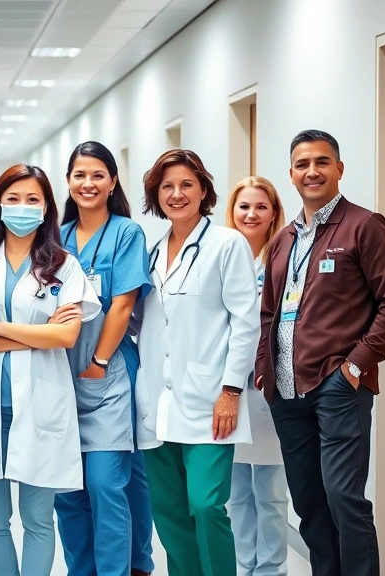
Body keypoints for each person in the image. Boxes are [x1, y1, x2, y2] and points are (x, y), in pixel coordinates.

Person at [255, 130, 385, 576]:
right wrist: (265, 370)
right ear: (290, 174)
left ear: (339, 169)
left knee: (344, 497)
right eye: (303, 164)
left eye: (322, 162)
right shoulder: (284, 238)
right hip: (287, 390)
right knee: (308, 501)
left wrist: (356, 365)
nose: (312, 171)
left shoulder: (363, 225)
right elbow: (269, 311)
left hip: (336, 385)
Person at [0, 164, 100, 575]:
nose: (22, 207)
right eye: (13, 199)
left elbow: (66, 338)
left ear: (46, 208)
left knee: (39, 520)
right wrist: (37, 331)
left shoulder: (65, 265)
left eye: (32, 199)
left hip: (42, 403)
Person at [135, 149, 260, 576]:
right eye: (167, 186)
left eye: (187, 184)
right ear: (156, 195)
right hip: (157, 401)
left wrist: (231, 391)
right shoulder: (151, 251)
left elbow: (246, 322)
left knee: (206, 505)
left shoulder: (227, 244)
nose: (176, 194)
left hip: (211, 401)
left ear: (203, 190)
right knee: (168, 514)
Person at [55, 141, 154, 576]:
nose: (88, 183)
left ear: (113, 181)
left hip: (107, 372)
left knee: (104, 482)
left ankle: (123, 570)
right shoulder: (54, 238)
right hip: (57, 374)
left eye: (98, 174)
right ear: (68, 182)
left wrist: (97, 360)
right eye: (80, 174)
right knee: (66, 490)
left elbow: (123, 304)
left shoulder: (126, 233)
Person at [224, 176, 288, 576]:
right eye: (244, 206)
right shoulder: (221, 254)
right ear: (232, 211)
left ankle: (270, 570)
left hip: (269, 391)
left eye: (260, 207)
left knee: (270, 493)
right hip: (225, 390)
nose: (251, 214)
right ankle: (241, 566)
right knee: (233, 495)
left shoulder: (283, 259)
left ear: (273, 214)